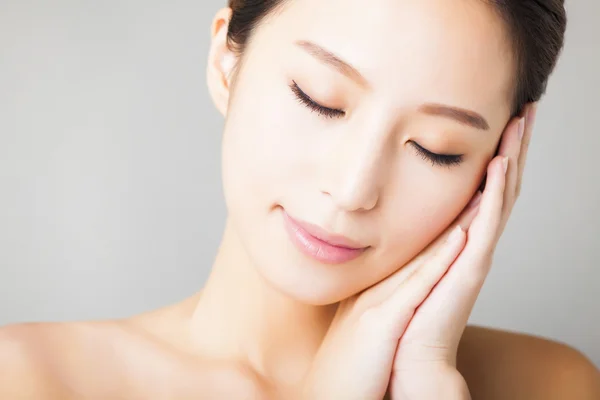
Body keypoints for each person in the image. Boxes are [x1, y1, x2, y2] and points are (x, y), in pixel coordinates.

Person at [1, 0, 599, 398]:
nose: (352, 188)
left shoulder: (553, 385)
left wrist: (426, 378)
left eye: (436, 149)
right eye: (320, 100)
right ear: (225, 61)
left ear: (500, 161)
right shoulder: (29, 379)